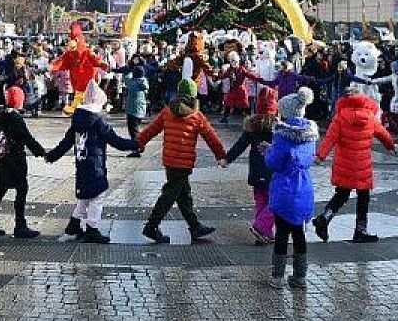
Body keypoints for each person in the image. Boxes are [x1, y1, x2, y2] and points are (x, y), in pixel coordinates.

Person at [136, 77, 226, 244]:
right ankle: (152, 225)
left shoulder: (167, 111)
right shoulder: (196, 115)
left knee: (184, 196)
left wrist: (139, 142)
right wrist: (221, 155)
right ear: (193, 95)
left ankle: (195, 226)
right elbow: (211, 137)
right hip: (184, 163)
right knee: (169, 196)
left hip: (170, 160)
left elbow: (151, 129)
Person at [44, 83, 137, 243]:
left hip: (82, 164)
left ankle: (73, 227)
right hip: (95, 166)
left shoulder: (77, 120)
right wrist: (136, 144)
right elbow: (116, 141)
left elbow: (65, 143)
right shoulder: (98, 121)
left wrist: (51, 156)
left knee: (85, 197)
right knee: (98, 196)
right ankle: (92, 229)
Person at [312, 83, 397, 243]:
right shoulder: (370, 117)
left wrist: (320, 156)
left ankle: (325, 217)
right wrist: (391, 146)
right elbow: (383, 134)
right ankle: (360, 230)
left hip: (344, 164)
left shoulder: (340, 117)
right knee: (363, 197)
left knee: (342, 195)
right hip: (362, 165)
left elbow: (330, 138)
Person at [261, 87, 318, 288]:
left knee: (282, 234)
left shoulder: (283, 136)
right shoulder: (310, 135)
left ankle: (278, 276)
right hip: (304, 188)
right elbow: (304, 158)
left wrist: (268, 151)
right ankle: (300, 276)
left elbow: (275, 163)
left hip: (285, 190)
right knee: (299, 233)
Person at [0, 85, 46, 238]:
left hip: (1, 160)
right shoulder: (16, 118)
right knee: (22, 189)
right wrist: (42, 153)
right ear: (20, 101)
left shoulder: (1, 115)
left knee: (0, 190)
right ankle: (20, 226)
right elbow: (27, 138)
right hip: (14, 160)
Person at [222, 85, 280, 244]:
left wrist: (227, 158)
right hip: (271, 171)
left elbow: (240, 145)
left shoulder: (252, 126)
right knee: (275, 201)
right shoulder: (277, 127)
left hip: (255, 170)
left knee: (261, 201)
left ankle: (264, 233)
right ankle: (261, 227)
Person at [124, 65, 149, 157]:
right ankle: (140, 145)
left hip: (132, 110)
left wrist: (129, 71)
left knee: (133, 131)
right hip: (141, 109)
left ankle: (137, 149)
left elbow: (126, 79)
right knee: (137, 129)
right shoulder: (143, 82)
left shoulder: (133, 82)